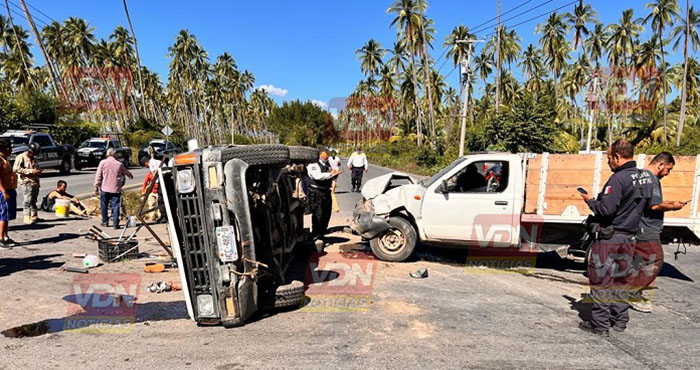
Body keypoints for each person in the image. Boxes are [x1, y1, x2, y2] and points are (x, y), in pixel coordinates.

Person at [578, 139, 652, 336]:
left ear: (617, 157)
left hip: (610, 238)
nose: (608, 162)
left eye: (609, 158)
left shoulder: (618, 179)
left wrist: (590, 201)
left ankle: (600, 325)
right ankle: (620, 321)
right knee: (621, 279)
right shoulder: (645, 177)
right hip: (629, 238)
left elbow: (605, 210)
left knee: (601, 280)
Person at [631, 152, 688, 313]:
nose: (668, 173)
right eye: (668, 169)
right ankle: (630, 292)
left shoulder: (640, 176)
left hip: (639, 227)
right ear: (660, 165)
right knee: (655, 260)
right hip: (647, 228)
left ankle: (638, 297)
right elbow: (654, 206)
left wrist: (670, 202)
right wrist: (674, 206)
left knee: (639, 263)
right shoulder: (652, 180)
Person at [94, 148, 133, 229]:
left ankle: (105, 222)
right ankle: (115, 223)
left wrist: (96, 186)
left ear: (108, 154)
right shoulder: (119, 164)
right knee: (115, 206)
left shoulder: (103, 163)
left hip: (104, 188)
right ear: (115, 155)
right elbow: (125, 172)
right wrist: (130, 175)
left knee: (104, 205)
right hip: (115, 188)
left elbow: (98, 175)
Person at [307, 152, 338, 238]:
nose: (326, 156)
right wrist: (329, 174)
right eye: (324, 155)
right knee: (318, 213)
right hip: (316, 191)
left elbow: (330, 172)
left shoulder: (327, 164)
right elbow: (317, 176)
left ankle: (323, 229)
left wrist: (334, 175)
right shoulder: (313, 165)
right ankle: (316, 233)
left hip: (326, 191)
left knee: (326, 212)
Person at [13, 142, 42, 224]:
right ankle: (26, 217)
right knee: (27, 200)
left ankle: (34, 216)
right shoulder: (21, 157)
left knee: (34, 200)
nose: (33, 155)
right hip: (26, 181)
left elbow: (36, 166)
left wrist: (38, 171)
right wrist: (30, 171)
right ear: (29, 151)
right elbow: (16, 169)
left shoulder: (33, 158)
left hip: (35, 181)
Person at [0, 139, 17, 249]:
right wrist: (3, 191)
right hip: (4, 191)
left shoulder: (4, 159)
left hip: (10, 189)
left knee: (7, 215)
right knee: (3, 214)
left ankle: (5, 236)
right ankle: (1, 238)